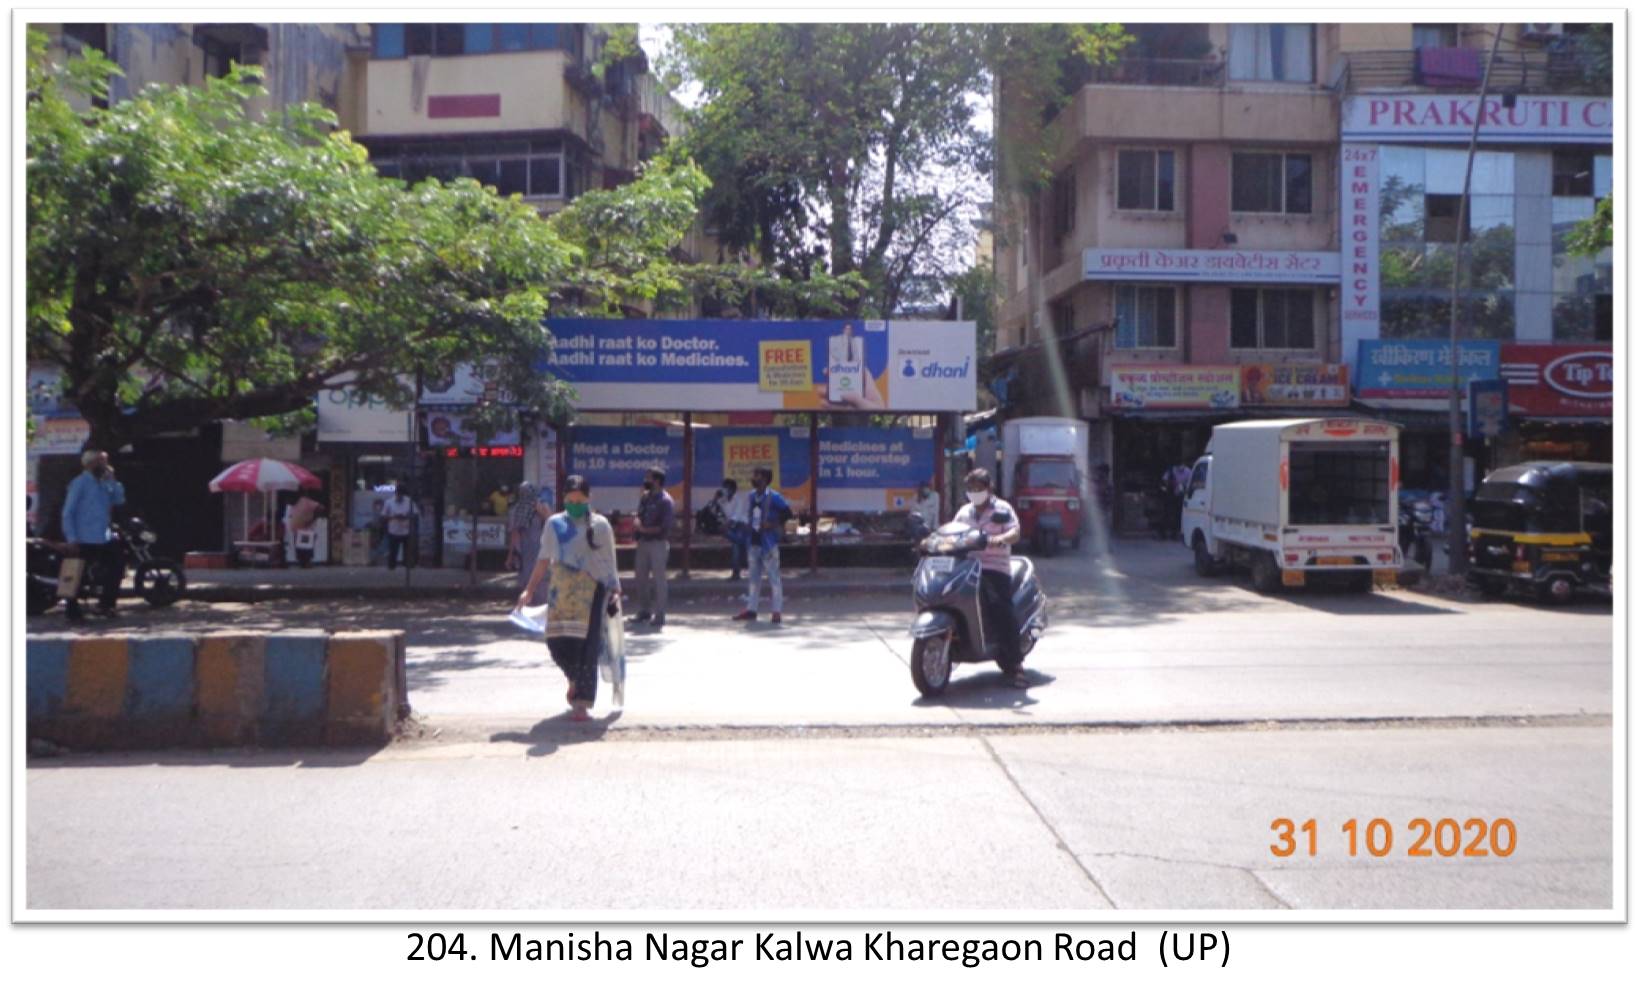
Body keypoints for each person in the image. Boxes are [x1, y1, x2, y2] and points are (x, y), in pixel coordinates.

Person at [516, 475, 621, 722]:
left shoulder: (601, 525)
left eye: (580, 500)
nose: (575, 504)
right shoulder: (554, 524)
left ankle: (582, 703)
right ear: (564, 498)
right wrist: (529, 590)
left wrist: (615, 587)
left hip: (592, 593)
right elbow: (543, 558)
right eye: (571, 500)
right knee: (556, 642)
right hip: (561, 593)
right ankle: (573, 678)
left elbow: (609, 559)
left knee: (587, 648)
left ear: (588, 498)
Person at [952, 468, 1026, 687]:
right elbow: (952, 531)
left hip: (994, 566)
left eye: (979, 488)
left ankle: (1016, 665)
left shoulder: (1002, 508)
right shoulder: (964, 512)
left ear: (988, 488)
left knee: (1000, 606)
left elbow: (1015, 532)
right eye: (971, 488)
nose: (974, 492)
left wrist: (1000, 538)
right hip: (966, 566)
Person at [60, 449, 126, 621]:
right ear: (90, 464)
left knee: (117, 566)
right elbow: (68, 512)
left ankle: (106, 604)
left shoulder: (104, 483)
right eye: (100, 462)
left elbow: (119, 500)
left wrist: (113, 480)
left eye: (105, 461)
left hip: (103, 536)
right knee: (77, 573)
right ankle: (72, 610)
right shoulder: (80, 483)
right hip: (83, 536)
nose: (104, 465)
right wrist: (71, 538)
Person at [735, 467, 791, 624]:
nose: (754, 478)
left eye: (757, 476)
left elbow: (787, 513)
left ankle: (776, 611)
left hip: (768, 542)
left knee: (774, 578)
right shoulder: (752, 496)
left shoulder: (774, 497)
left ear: (765, 479)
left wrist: (772, 524)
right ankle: (751, 609)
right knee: (753, 579)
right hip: (753, 541)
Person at [632, 466, 674, 627]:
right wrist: (637, 524)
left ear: (657, 481)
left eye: (649, 478)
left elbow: (665, 527)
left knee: (659, 580)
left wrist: (644, 529)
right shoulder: (645, 497)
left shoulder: (665, 501)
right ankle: (644, 610)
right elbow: (640, 514)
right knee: (640, 577)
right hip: (643, 542)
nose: (646, 481)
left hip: (658, 543)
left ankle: (660, 614)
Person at [507, 482, 550, 606]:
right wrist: (511, 555)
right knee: (528, 578)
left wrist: (541, 511)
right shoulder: (516, 510)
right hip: (526, 550)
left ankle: (540, 606)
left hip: (540, 548)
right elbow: (515, 534)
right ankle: (529, 604)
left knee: (540, 577)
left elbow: (551, 522)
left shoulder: (541, 507)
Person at [721, 477, 750, 581]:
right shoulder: (722, 501)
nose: (724, 490)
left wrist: (725, 526)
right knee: (737, 546)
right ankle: (737, 572)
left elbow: (736, 517)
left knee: (737, 546)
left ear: (732, 489)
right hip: (732, 528)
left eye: (726, 488)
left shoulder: (738, 500)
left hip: (741, 526)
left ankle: (736, 573)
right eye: (723, 487)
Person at [383, 485, 415, 570]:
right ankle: (391, 566)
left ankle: (408, 565)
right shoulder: (389, 502)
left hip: (406, 529)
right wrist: (393, 517)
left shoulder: (409, 501)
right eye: (398, 494)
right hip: (393, 529)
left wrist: (406, 516)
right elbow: (384, 515)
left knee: (407, 550)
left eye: (401, 495)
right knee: (393, 550)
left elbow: (415, 513)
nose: (399, 496)